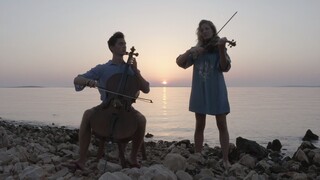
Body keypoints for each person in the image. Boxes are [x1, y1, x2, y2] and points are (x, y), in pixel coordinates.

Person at [70, 31, 150, 170]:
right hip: (106, 107)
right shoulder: (103, 68)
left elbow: (146, 89)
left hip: (126, 109)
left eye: (125, 44)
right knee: (87, 114)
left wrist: (136, 71)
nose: (124, 47)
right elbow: (77, 79)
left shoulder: (131, 70)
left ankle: (132, 157)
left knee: (142, 120)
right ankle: (82, 159)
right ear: (112, 48)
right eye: (120, 44)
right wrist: (89, 82)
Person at [176, 20, 232, 168]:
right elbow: (180, 63)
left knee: (222, 124)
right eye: (202, 30)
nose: (204, 31)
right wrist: (191, 50)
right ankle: (198, 155)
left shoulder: (218, 47)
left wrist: (221, 48)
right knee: (199, 125)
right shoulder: (198, 50)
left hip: (216, 90)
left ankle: (225, 159)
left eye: (207, 28)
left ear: (213, 30)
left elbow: (224, 67)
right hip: (200, 91)